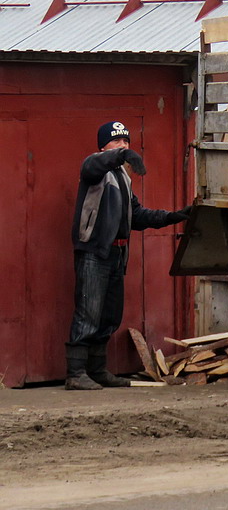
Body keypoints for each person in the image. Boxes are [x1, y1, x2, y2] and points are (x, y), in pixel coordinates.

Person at [66, 121, 190, 391]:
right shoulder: (96, 170)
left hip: (117, 253)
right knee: (88, 313)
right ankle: (75, 374)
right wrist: (121, 157)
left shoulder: (123, 177)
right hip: (94, 252)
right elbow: (91, 165)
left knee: (109, 316)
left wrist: (175, 216)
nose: (123, 145)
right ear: (103, 146)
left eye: (126, 142)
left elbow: (139, 215)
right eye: (116, 141)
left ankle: (97, 371)